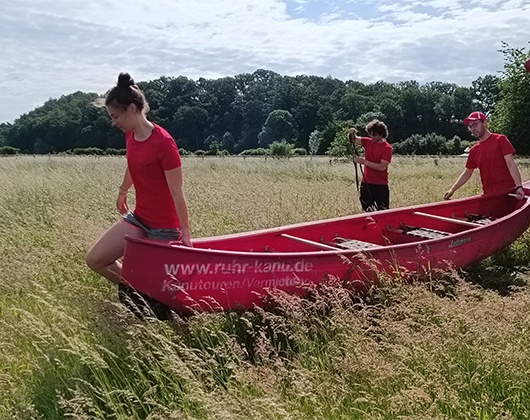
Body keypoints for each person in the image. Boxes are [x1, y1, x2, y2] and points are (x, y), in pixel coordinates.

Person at [86, 72, 192, 288]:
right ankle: (139, 290)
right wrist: (123, 191)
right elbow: (134, 165)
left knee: (167, 287)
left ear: (132, 109)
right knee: (95, 260)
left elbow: (177, 192)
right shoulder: (130, 135)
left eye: (115, 116)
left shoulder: (164, 143)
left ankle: (150, 295)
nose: (113, 122)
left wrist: (186, 235)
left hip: (165, 228)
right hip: (140, 218)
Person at [444, 111, 525, 200]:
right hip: (489, 196)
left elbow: (510, 163)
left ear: (485, 123)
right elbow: (467, 173)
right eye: (470, 126)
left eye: (475, 124)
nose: (472, 129)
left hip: (509, 193)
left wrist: (519, 187)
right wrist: (452, 190)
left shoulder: (500, 140)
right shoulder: (474, 150)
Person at [348, 119, 393, 212]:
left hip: (380, 185)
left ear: (382, 134)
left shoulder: (387, 148)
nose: (372, 137)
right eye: (370, 134)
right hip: (366, 183)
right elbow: (354, 140)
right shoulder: (368, 142)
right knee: (367, 211)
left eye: (375, 135)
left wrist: (364, 162)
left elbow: (382, 167)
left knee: (383, 211)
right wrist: (352, 133)